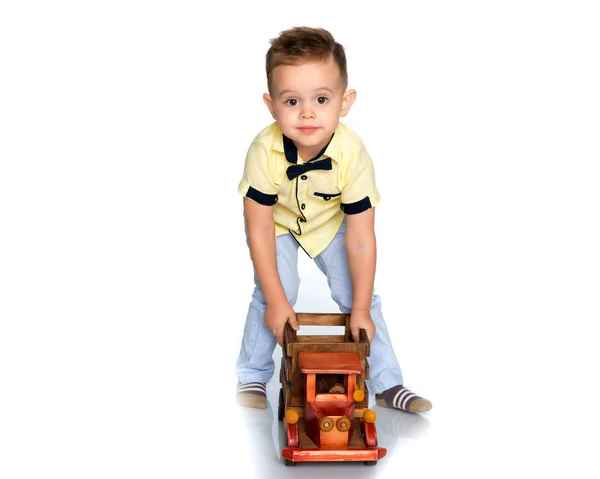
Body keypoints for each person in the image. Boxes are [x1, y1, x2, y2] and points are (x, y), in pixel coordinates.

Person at [235, 26, 432, 414]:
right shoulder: (262, 150)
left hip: (330, 225)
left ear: (345, 102)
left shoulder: (354, 155)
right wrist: (277, 300)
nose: (307, 112)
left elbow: (360, 238)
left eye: (321, 99)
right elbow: (257, 229)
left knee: (361, 298)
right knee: (273, 293)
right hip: (277, 225)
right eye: (292, 101)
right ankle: (253, 373)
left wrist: (358, 307)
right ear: (271, 105)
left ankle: (387, 380)